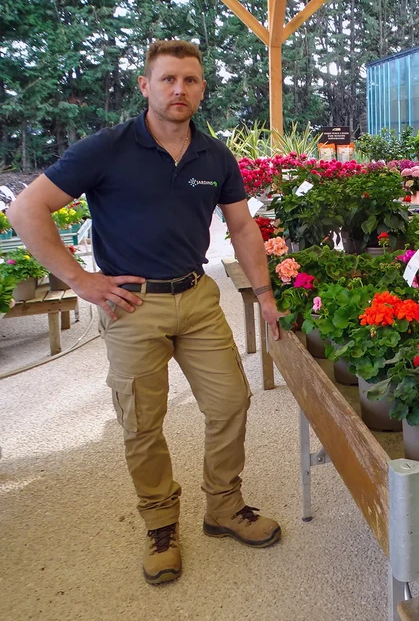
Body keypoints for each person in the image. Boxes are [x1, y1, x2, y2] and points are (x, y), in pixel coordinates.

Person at [8, 39, 285, 585]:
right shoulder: (105, 149)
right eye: (167, 79)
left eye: (190, 80)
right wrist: (81, 281)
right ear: (146, 86)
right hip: (133, 304)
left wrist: (265, 294)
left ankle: (223, 508)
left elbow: (243, 226)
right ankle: (160, 524)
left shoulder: (214, 155)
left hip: (198, 295)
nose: (179, 89)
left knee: (231, 400)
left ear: (203, 88)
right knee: (142, 420)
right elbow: (25, 208)